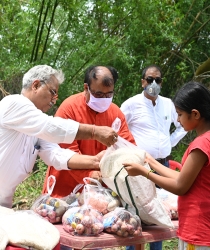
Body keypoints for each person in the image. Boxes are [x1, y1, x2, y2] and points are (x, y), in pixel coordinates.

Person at [0, 65, 119, 209]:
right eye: (52, 92)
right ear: (35, 85)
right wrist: (96, 132)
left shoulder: (35, 127)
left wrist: (96, 161)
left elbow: (55, 155)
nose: (54, 100)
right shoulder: (14, 104)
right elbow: (51, 127)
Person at [123, 81, 210, 250]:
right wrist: (151, 161)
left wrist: (143, 172)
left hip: (198, 229)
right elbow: (183, 177)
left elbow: (180, 186)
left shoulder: (201, 145)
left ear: (195, 114)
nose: (177, 119)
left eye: (179, 114)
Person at [42, 65, 135, 198]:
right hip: (66, 190)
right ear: (86, 88)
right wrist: (90, 174)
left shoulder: (116, 113)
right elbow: (66, 153)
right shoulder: (69, 109)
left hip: (101, 192)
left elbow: (128, 146)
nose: (104, 99)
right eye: (98, 94)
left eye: (109, 94)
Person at [120, 65, 187, 250]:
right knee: (137, 212)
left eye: (158, 80)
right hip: (139, 166)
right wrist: (130, 151)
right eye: (150, 79)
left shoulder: (168, 104)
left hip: (163, 164)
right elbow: (117, 130)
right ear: (143, 82)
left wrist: (169, 142)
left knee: (160, 211)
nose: (154, 83)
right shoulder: (131, 104)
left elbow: (181, 124)